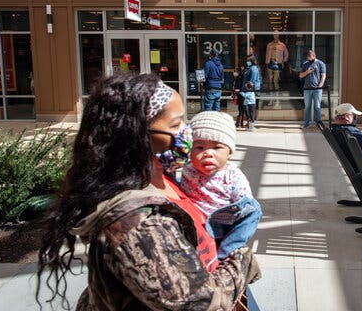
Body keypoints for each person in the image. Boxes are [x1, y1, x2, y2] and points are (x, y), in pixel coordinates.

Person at [36, 74, 259, 310]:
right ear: (137, 135)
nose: (188, 133)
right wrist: (241, 262)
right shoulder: (138, 220)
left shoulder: (166, 178)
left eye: (185, 121)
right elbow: (199, 302)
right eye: (175, 125)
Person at [180, 111, 262, 260]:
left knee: (253, 208)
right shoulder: (187, 169)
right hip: (195, 225)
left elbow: (245, 206)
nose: (208, 153)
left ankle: (225, 253)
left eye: (217, 148)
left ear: (229, 152)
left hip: (222, 227)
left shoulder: (233, 176)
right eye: (199, 148)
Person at [299, 50, 326, 128]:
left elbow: (323, 75)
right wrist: (307, 72)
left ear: (314, 56)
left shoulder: (321, 64)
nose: (309, 59)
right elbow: (300, 75)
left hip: (317, 89)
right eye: (308, 58)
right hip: (307, 89)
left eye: (310, 58)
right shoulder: (305, 64)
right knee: (307, 107)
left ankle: (318, 124)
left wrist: (320, 85)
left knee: (317, 106)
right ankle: (306, 124)